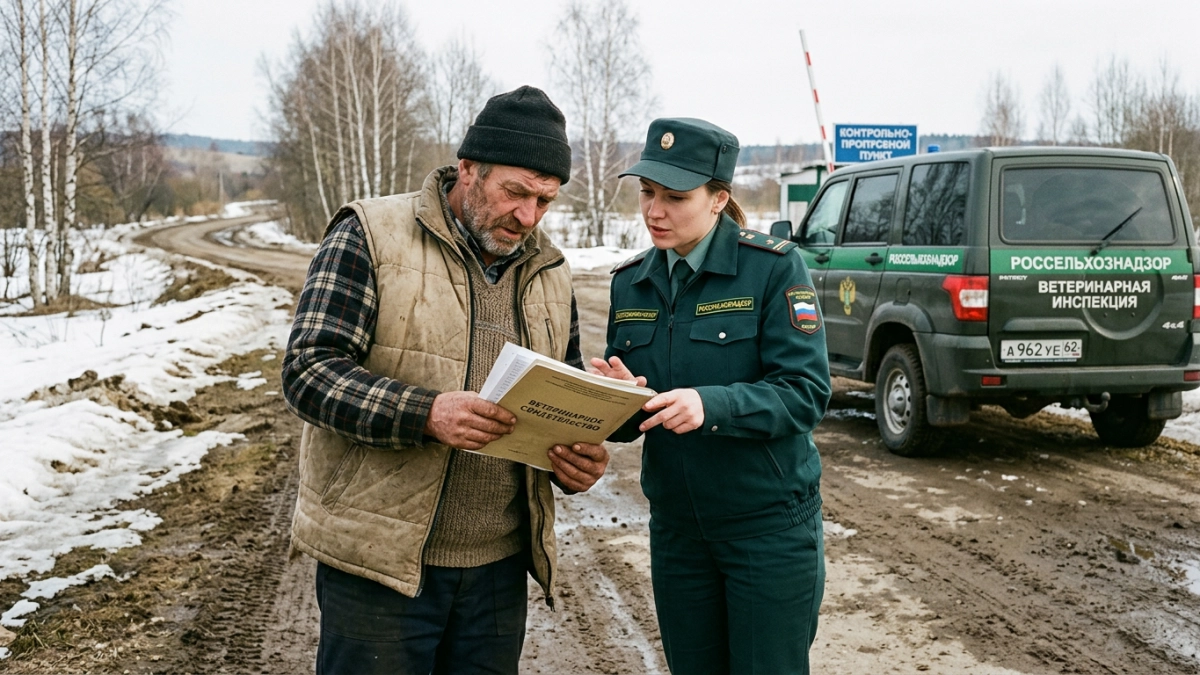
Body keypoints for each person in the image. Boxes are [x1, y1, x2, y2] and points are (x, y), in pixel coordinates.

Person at [281, 85, 610, 675]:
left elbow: (558, 391)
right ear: (468, 169)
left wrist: (576, 458)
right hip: (380, 567)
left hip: (497, 574)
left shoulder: (551, 270)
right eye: (516, 192)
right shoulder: (370, 233)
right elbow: (309, 371)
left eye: (545, 200)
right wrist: (426, 414)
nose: (528, 217)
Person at [591, 117, 832, 674]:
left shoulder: (772, 269)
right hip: (678, 533)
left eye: (675, 197)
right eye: (647, 192)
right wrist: (614, 399)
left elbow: (805, 392)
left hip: (766, 532)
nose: (654, 211)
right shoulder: (631, 282)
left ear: (719, 198)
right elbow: (635, 414)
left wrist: (711, 405)